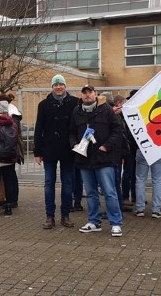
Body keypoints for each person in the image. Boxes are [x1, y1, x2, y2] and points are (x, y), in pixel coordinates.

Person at [70, 85, 124, 237]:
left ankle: (116, 223)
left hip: (104, 158)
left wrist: (107, 146)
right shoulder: (77, 111)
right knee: (91, 192)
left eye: (90, 92)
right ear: (81, 95)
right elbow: (72, 131)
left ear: (95, 94)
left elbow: (117, 129)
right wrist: (74, 144)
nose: (87, 95)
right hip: (84, 158)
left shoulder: (105, 109)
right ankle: (94, 222)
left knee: (109, 191)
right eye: (84, 93)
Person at [34, 74, 80, 229]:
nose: (58, 87)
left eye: (61, 84)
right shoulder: (44, 104)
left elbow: (79, 126)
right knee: (49, 183)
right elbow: (39, 129)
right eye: (55, 84)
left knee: (68, 183)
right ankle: (50, 216)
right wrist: (37, 152)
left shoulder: (75, 103)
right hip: (49, 148)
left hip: (69, 149)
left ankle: (65, 215)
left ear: (65, 86)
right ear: (52, 87)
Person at [0, 92, 22, 207]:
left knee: (10, 175)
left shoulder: (12, 116)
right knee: (9, 175)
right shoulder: (14, 113)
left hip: (10, 149)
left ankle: (12, 200)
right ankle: (10, 198)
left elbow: (11, 133)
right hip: (11, 147)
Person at [121, 90, 138, 207]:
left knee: (136, 173)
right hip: (129, 148)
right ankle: (125, 196)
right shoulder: (124, 112)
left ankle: (136, 196)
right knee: (128, 172)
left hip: (138, 147)